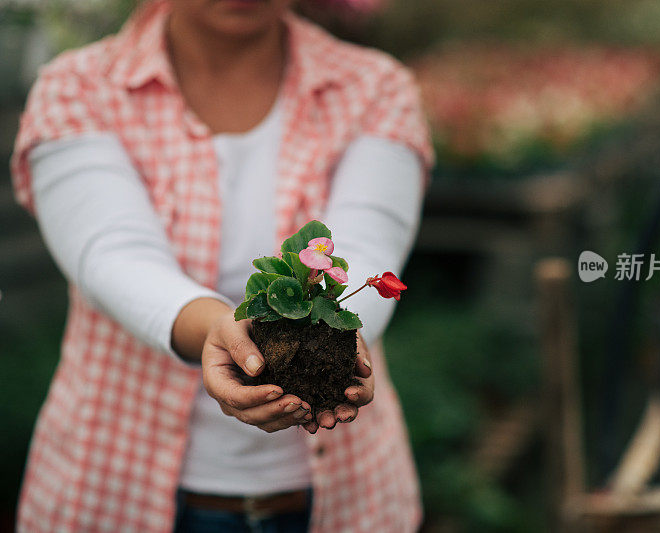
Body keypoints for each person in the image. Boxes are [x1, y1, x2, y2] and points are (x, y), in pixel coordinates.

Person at [10, 0, 433, 531]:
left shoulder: (375, 87)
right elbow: (110, 252)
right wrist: (216, 328)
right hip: (113, 487)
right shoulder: (78, 87)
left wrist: (327, 344)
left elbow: (367, 243)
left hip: (343, 499)